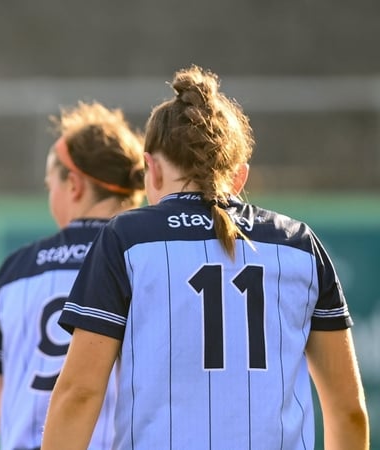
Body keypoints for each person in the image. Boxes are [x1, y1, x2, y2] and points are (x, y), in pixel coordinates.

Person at [41, 65, 370, 450]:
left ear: (150, 169)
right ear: (239, 177)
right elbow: (348, 412)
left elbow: (79, 393)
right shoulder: (298, 244)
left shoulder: (126, 239)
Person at [0, 101, 145, 449]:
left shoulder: (17, 270)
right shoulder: (146, 266)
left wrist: (35, 409)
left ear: (74, 185)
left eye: (52, 185)